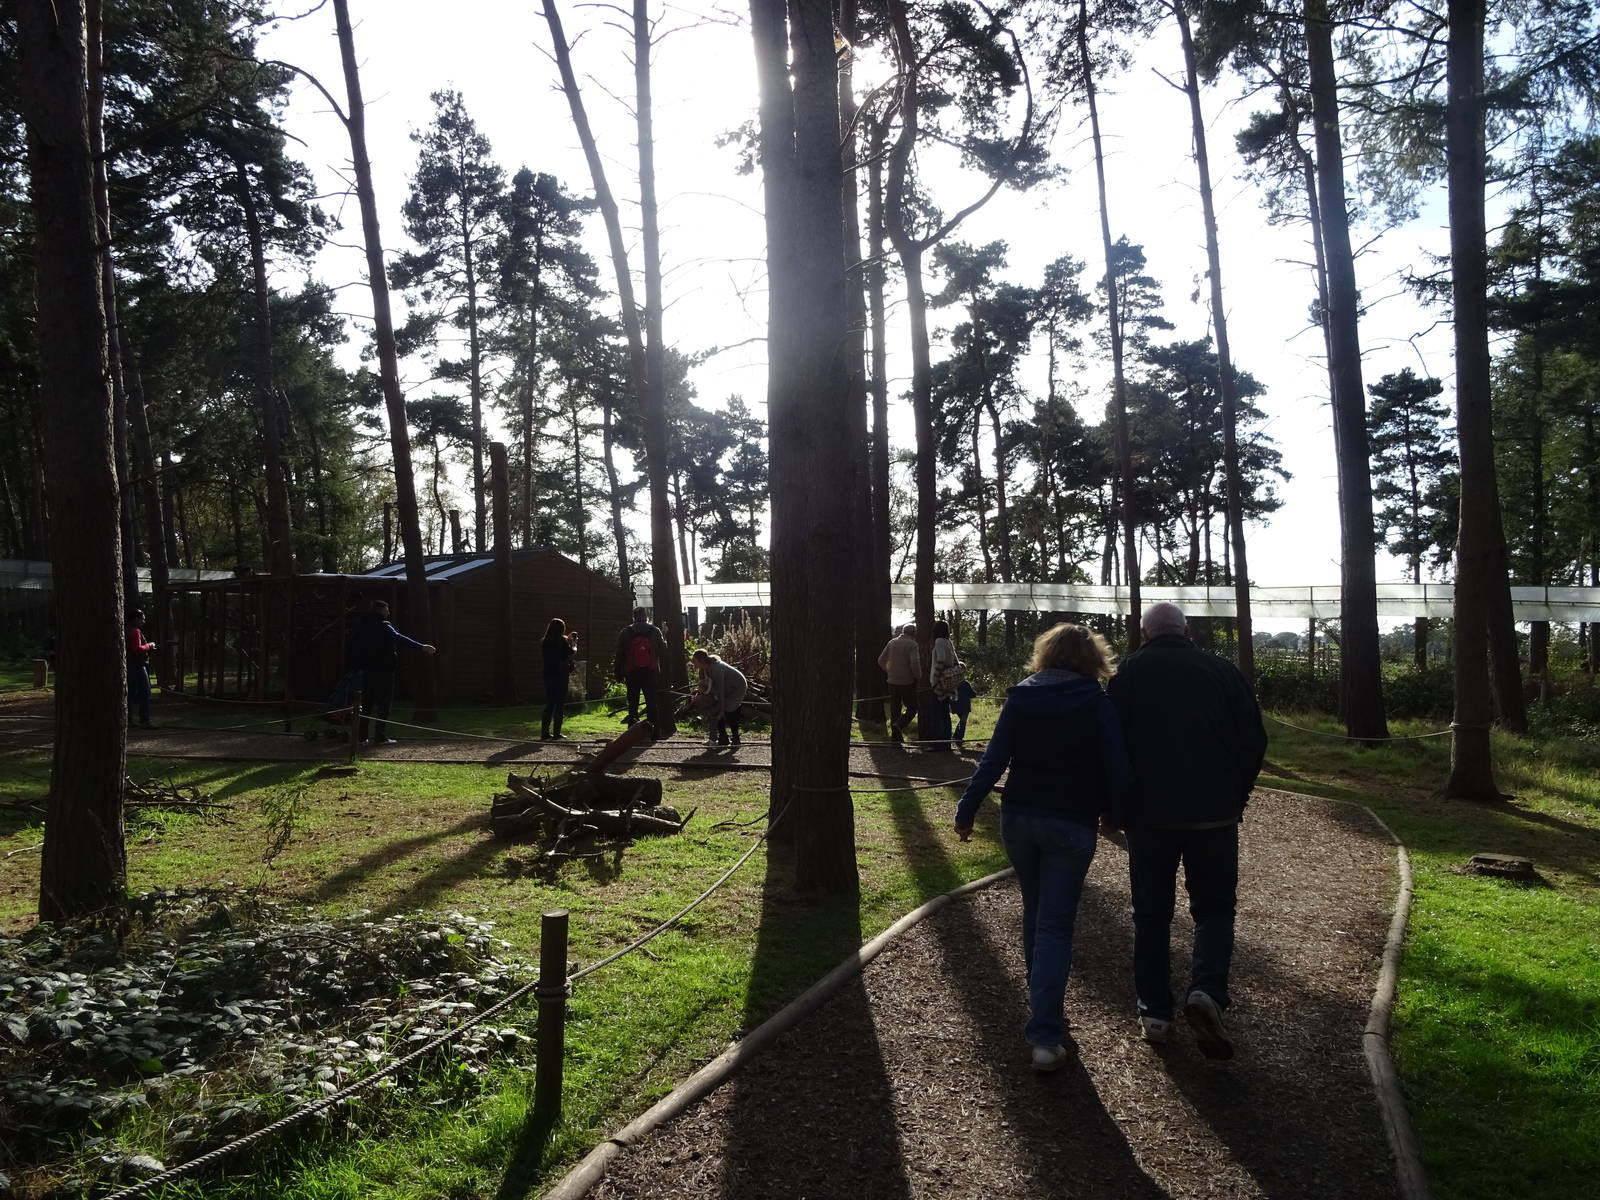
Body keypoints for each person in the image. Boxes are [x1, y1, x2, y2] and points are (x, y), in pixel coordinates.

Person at [955, 623, 1132, 1073]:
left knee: (1035, 914)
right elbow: (1117, 766)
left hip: (1020, 819)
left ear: (1045, 654)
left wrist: (968, 808)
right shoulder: (1097, 701)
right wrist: (1117, 814)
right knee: (1054, 925)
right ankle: (1046, 1033)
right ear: (1092, 658)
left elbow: (993, 758)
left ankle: (1044, 1005)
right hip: (1071, 821)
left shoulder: (1021, 697)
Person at [1106, 602, 1267, 1060]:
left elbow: (1111, 746)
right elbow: (1254, 739)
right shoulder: (1222, 670)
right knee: (1215, 909)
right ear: (1186, 629)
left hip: (1149, 817)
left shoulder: (1128, 674)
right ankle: (1207, 991)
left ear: (1144, 632)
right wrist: (1238, 793)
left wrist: (1115, 806)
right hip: (1214, 814)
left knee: (1151, 914)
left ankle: (1155, 1012)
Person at [349, 599, 437, 745]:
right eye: (386, 610)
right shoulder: (384, 625)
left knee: (366, 704)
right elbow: (398, 638)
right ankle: (380, 736)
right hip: (384, 670)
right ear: (380, 611)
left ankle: (361, 737)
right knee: (384, 704)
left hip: (367, 669)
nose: (388, 613)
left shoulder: (362, 626)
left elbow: (353, 644)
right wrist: (421, 646)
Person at [613, 607, 668, 733]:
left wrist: (618, 672)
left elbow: (619, 654)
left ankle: (633, 733)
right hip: (650, 672)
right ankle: (654, 732)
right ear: (645, 616)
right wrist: (664, 635)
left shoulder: (626, 631)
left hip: (631, 672)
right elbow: (662, 650)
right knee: (652, 702)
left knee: (633, 703)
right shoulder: (655, 630)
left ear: (634, 616)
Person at [692, 649, 748, 749]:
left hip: (737, 687)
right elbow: (711, 685)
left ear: (701, 660)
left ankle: (736, 739)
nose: (693, 663)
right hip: (727, 688)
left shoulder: (717, 668)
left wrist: (721, 710)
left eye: (695, 661)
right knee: (716, 710)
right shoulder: (705, 669)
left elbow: (721, 690)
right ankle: (723, 738)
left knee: (728, 711)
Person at [876, 623, 921, 744]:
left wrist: (889, 671)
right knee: (912, 708)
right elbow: (914, 663)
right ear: (914, 634)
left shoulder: (892, 642)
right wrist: (918, 676)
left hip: (892, 681)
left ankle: (895, 738)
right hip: (907, 682)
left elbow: (881, 660)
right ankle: (900, 725)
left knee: (895, 709)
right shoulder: (912, 644)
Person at [541, 618, 579, 741]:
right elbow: (571, 652)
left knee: (549, 704)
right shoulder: (562, 641)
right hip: (561, 675)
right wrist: (574, 644)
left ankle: (544, 733)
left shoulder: (545, 641)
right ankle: (556, 733)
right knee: (559, 705)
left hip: (548, 674)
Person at [927, 619, 961, 751]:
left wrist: (935, 680)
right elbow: (956, 662)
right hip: (949, 683)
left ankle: (937, 744)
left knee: (937, 714)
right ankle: (946, 742)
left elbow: (940, 661)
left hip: (939, 683)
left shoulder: (939, 641)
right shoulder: (948, 642)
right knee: (945, 713)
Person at [126, 609, 156, 728]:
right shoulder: (135, 631)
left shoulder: (126, 630)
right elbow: (137, 649)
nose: (144, 621)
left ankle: (129, 719)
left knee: (131, 693)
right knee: (145, 691)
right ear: (136, 619)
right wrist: (150, 645)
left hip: (129, 664)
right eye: (142, 619)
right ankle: (145, 720)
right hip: (138, 664)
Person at [951, 676, 977, 743]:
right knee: (963, 722)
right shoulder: (965, 683)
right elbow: (973, 694)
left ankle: (956, 736)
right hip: (964, 706)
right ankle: (959, 738)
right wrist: (974, 692)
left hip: (955, 706)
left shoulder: (953, 682)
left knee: (962, 721)